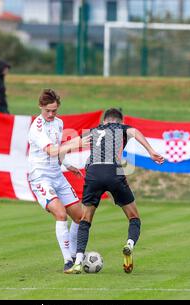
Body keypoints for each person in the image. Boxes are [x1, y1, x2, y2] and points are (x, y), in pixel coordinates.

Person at [66, 108, 165, 274]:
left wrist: (64, 159)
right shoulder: (123, 128)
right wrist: (151, 151)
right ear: (121, 121)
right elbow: (136, 132)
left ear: (104, 121)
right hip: (113, 172)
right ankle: (129, 244)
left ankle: (77, 262)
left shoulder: (95, 130)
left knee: (85, 219)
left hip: (93, 173)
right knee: (134, 217)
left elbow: (72, 143)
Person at [28, 89, 91, 273]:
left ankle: (72, 254)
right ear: (40, 107)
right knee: (61, 214)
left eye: (54, 110)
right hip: (40, 176)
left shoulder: (59, 123)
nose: (51, 114)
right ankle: (67, 261)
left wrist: (67, 164)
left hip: (57, 174)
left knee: (81, 217)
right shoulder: (36, 128)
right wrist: (77, 143)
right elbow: (51, 150)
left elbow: (58, 152)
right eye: (48, 110)